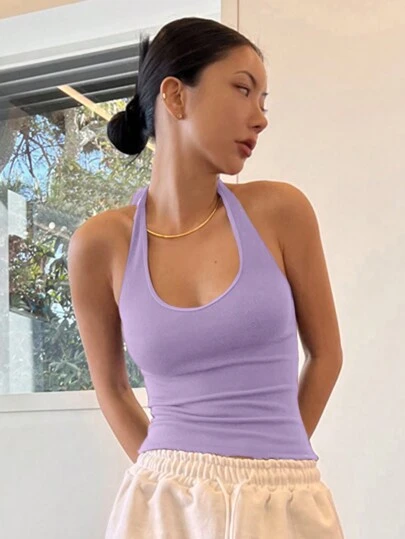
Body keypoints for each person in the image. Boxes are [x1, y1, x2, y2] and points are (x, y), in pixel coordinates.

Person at [68, 16, 345, 539]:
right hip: (163, 503)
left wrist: (272, 464)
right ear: (176, 96)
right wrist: (174, 479)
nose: (259, 118)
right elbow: (112, 388)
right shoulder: (99, 244)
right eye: (243, 89)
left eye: (263, 100)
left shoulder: (281, 212)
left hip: (282, 496)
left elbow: (327, 354)